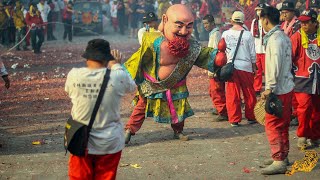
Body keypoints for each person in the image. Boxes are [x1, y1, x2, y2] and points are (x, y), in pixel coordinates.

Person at [124, 4, 220, 143]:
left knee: (179, 107)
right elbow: (138, 59)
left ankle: (178, 131)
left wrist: (219, 58)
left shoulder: (191, 45)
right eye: (179, 25)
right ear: (165, 20)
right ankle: (129, 131)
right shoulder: (152, 40)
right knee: (141, 107)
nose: (183, 31)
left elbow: (203, 55)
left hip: (177, 84)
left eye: (189, 26)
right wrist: (122, 73)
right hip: (152, 85)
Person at [66, 39, 136, 180]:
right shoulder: (118, 76)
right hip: (110, 142)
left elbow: (69, 92)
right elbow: (132, 87)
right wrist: (116, 65)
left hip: (81, 140)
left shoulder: (74, 75)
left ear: (87, 58)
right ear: (107, 59)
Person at [259, 6, 294, 175]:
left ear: (265, 19)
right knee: (283, 124)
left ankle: (279, 160)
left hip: (278, 89)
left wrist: (269, 88)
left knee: (273, 125)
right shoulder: (284, 37)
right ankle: (282, 156)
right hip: (287, 86)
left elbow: (274, 66)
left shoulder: (275, 40)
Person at [221, 11, 257, 127]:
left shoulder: (225, 34)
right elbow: (252, 53)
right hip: (246, 67)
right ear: (242, 21)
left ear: (232, 20)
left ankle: (234, 119)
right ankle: (251, 116)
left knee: (232, 94)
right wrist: (254, 66)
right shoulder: (248, 35)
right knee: (249, 93)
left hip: (231, 67)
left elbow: (221, 51)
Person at [290, 9, 320, 149]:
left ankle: (315, 136)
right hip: (302, 79)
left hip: (318, 79)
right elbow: (289, 57)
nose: (303, 25)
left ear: (315, 22)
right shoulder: (296, 37)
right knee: (304, 108)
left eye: (307, 22)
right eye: (302, 22)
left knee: (317, 110)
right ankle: (302, 136)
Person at [202, 14, 227, 121]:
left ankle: (223, 112)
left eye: (207, 23)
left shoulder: (216, 35)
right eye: (204, 24)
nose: (205, 26)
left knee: (217, 90)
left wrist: (212, 68)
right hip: (213, 66)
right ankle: (219, 108)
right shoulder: (213, 34)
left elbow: (216, 54)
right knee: (214, 90)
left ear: (212, 23)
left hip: (215, 67)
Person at [280, 1, 300, 126]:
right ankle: (293, 112)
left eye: (286, 12)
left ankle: (298, 114)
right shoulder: (284, 24)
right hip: (286, 58)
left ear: (293, 12)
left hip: (296, 60)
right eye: (283, 12)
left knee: (296, 88)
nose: (284, 14)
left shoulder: (298, 25)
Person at [251, 3, 268, 96]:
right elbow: (252, 36)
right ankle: (257, 88)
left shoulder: (267, 21)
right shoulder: (255, 22)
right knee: (257, 71)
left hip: (265, 50)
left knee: (267, 71)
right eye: (257, 10)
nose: (259, 12)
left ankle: (268, 88)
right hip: (257, 49)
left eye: (260, 10)